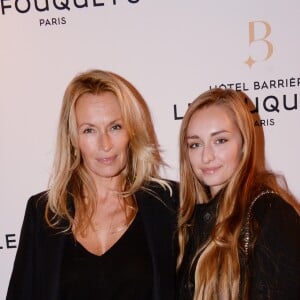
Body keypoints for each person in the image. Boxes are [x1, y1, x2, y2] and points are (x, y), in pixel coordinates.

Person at [6, 69, 178, 300]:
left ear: (132, 131)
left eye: (115, 127)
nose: (104, 144)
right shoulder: (44, 212)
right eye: (89, 130)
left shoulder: (169, 204)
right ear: (73, 139)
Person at [176, 88, 300, 300]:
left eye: (220, 140)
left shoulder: (271, 215)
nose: (206, 156)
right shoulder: (186, 222)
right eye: (195, 144)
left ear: (244, 144)